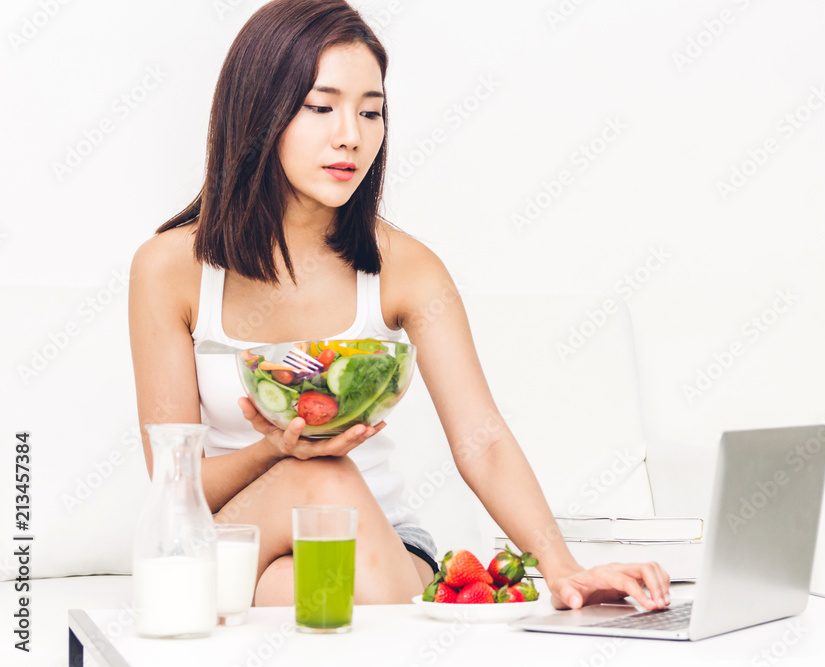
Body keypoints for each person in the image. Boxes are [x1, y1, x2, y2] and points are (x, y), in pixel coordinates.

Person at [128, 0, 670, 611]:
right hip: (230, 540)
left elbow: (482, 440)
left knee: (311, 594)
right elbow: (175, 484)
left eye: (371, 111)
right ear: (259, 111)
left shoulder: (406, 268)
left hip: (381, 543)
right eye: (321, 106)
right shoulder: (170, 268)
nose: (351, 136)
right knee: (321, 476)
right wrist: (275, 450)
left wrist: (563, 566)